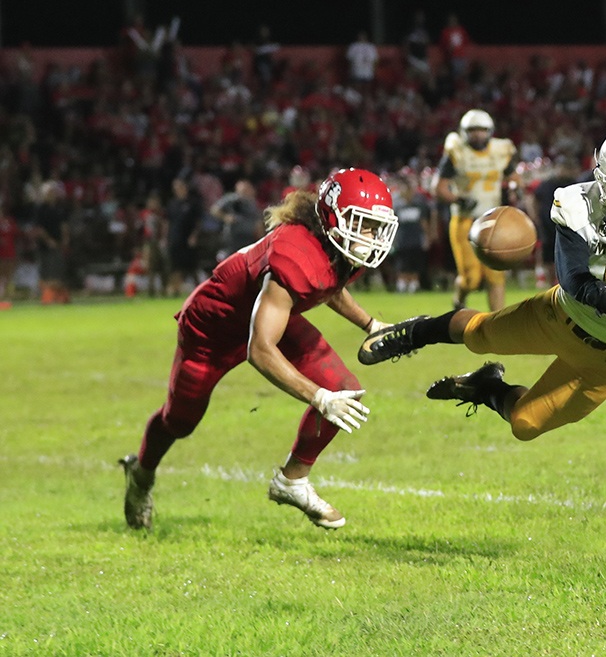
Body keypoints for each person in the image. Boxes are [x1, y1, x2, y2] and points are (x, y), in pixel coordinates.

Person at [356, 123, 606, 441]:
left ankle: (486, 388)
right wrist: (597, 294)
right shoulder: (579, 203)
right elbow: (571, 273)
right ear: (605, 183)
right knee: (479, 335)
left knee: (526, 424)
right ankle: (411, 333)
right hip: (562, 318)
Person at [117, 169, 399, 531]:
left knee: (346, 390)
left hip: (270, 317)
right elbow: (261, 350)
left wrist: (370, 325)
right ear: (332, 217)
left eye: (375, 227)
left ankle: (292, 480)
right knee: (180, 421)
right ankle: (141, 474)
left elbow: (327, 282)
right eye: (362, 225)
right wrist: (319, 398)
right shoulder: (295, 253)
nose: (370, 237)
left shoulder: (333, 244)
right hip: (213, 329)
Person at [434, 109, 519, 311]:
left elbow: (514, 178)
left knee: (495, 274)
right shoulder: (456, 152)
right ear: (464, 132)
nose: (478, 135)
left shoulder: (500, 151)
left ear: (490, 131)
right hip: (465, 220)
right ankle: (459, 299)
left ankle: (497, 322)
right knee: (471, 279)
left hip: (492, 220)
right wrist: (458, 199)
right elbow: (438, 187)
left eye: (482, 130)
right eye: (473, 131)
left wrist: (514, 190)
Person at [528, 156, 579, 288]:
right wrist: (534, 216)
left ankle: (566, 281)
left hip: (569, 224)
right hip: (548, 225)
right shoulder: (547, 184)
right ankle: (552, 282)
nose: (564, 171)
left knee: (569, 252)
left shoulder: (574, 184)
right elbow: (534, 199)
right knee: (549, 255)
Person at [165, 177, 204, 298]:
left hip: (188, 239)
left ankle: (200, 290)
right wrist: (166, 237)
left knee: (192, 267)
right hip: (175, 238)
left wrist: (194, 236)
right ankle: (174, 290)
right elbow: (167, 222)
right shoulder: (172, 204)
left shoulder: (193, 203)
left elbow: (198, 222)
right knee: (175, 267)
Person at [210, 179, 263, 262]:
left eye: (247, 189)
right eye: (243, 190)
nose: (246, 192)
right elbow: (214, 210)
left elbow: (258, 221)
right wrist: (226, 217)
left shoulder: (253, 203)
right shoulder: (231, 199)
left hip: (248, 238)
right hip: (232, 237)